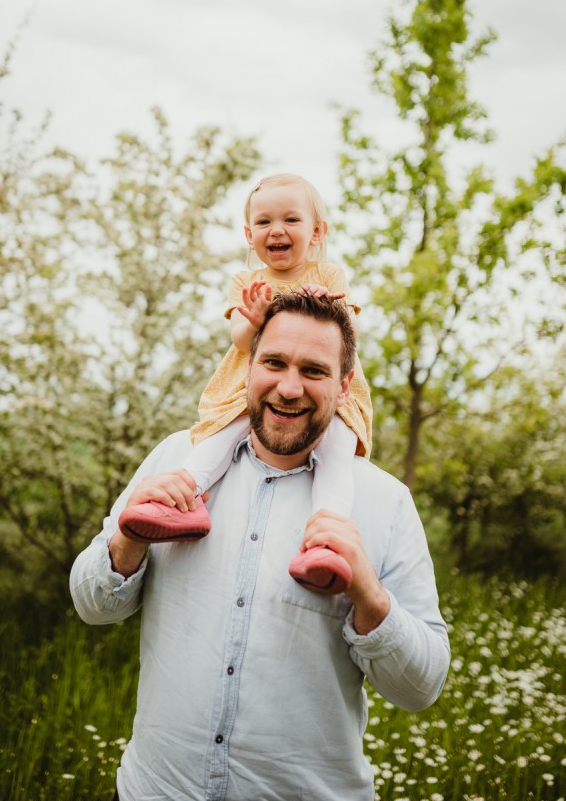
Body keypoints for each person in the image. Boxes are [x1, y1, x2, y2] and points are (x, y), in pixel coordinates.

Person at [70, 292, 450, 801]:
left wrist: (370, 596)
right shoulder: (175, 462)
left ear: (344, 385)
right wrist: (127, 540)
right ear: (248, 367)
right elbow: (92, 608)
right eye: (274, 362)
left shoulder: (386, 502)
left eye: (314, 371)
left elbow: (421, 689)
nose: (289, 388)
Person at [118, 173, 373, 593]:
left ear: (317, 232)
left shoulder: (328, 275)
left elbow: (351, 331)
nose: (277, 230)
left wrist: (325, 306)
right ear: (248, 234)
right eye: (264, 222)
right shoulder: (246, 282)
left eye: (291, 219)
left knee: (337, 449)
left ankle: (327, 538)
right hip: (249, 384)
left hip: (326, 388)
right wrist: (253, 319)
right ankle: (184, 499)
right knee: (223, 435)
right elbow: (239, 338)